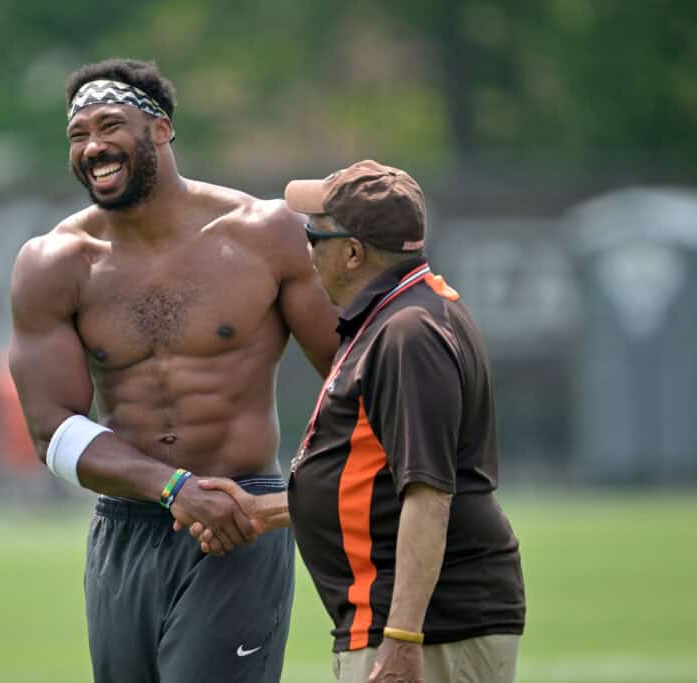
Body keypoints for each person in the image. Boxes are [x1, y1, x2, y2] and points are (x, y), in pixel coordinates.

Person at [7, 58, 338, 683]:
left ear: (160, 130)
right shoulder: (55, 262)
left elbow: (351, 379)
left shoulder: (264, 234)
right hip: (126, 529)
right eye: (78, 135)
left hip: (241, 518)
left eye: (110, 125)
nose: (94, 146)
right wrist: (172, 487)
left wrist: (300, 497)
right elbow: (52, 431)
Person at [186, 160, 526, 682]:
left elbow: (428, 495)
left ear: (352, 252)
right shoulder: (399, 316)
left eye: (313, 237)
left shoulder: (407, 333)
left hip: (430, 627)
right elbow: (369, 485)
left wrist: (404, 638)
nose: (306, 252)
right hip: (405, 620)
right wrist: (261, 512)